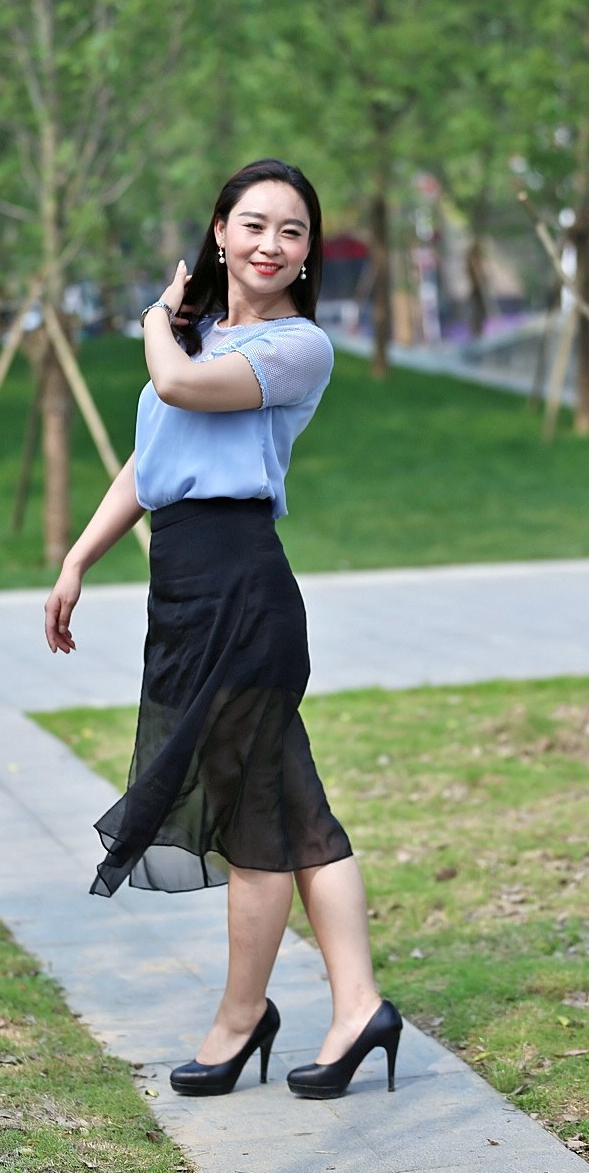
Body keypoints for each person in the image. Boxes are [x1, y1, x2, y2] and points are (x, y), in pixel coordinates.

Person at [44, 158, 402, 1099]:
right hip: (185, 592)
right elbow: (149, 458)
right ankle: (357, 1006)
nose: (270, 244)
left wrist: (156, 317)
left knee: (257, 823)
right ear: (220, 231)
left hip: (242, 591)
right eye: (253, 224)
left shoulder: (296, 347)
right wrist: (79, 558)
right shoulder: (201, 336)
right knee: (291, 810)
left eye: (292, 231)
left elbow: (179, 389)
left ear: (308, 253)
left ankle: (245, 1019)